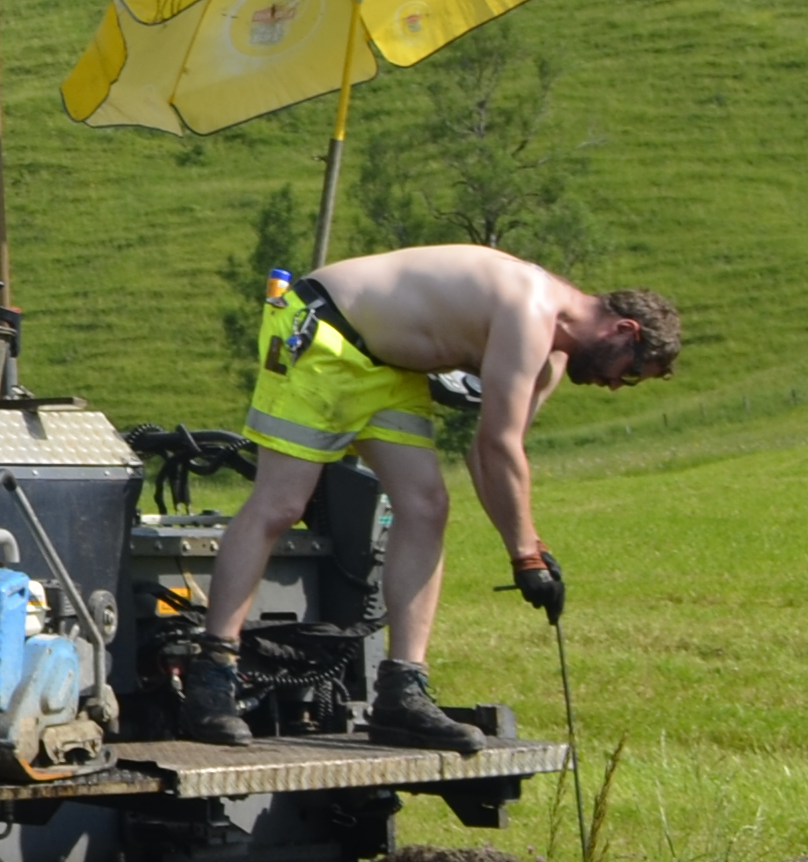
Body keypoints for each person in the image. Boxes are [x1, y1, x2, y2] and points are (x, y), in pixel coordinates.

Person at [174, 242, 678, 750]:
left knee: (426, 507)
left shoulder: (549, 358)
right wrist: (524, 556)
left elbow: (492, 458)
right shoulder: (531, 308)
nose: (616, 386)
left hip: (389, 369)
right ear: (624, 330)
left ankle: (402, 691)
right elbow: (497, 446)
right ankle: (214, 673)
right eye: (630, 372)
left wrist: (531, 552)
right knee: (281, 506)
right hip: (324, 335)